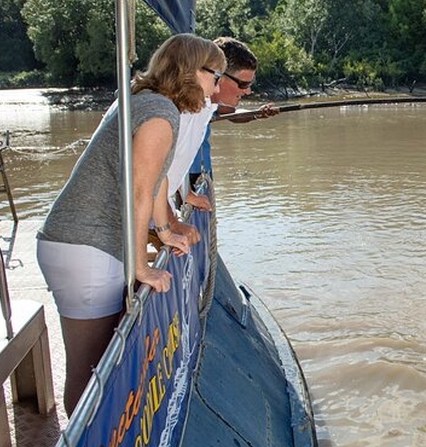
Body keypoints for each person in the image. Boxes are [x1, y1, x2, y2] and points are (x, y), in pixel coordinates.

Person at [35, 33, 226, 416]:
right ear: (191, 71)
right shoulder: (159, 115)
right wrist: (142, 266)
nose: (217, 87)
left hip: (82, 244)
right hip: (87, 247)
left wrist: (167, 229)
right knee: (92, 373)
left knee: (96, 366)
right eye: (215, 75)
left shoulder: (150, 103)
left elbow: (156, 185)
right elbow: (140, 192)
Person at [188, 37, 279, 198]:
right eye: (243, 85)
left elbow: (230, 113)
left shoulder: (211, 102)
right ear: (219, 75)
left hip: (203, 176)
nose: (248, 92)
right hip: (186, 180)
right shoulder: (184, 108)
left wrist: (257, 114)